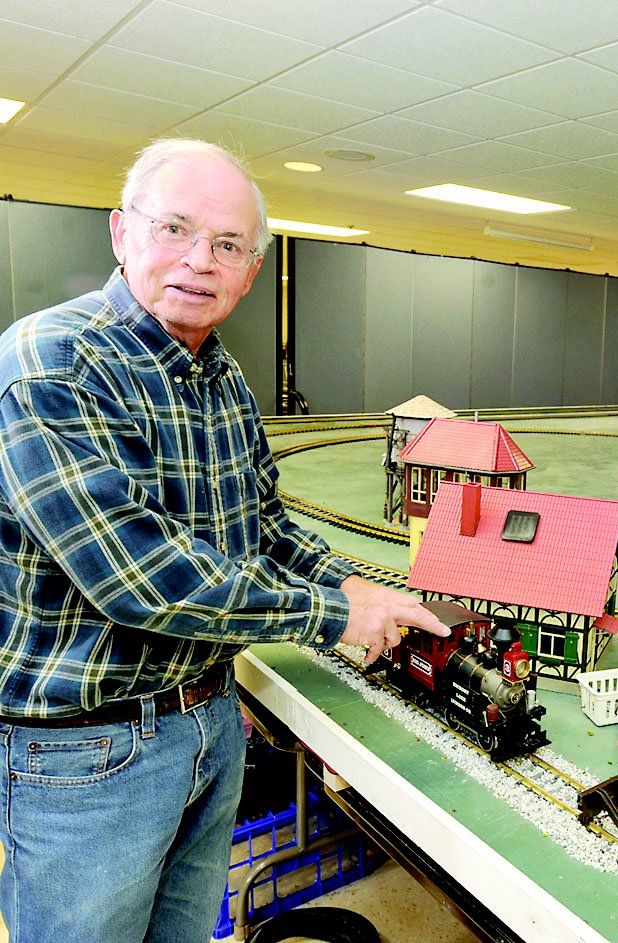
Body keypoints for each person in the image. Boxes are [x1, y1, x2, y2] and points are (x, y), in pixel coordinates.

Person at [0, 138, 450, 943]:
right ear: (121, 232)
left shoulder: (221, 376)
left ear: (251, 269)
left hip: (208, 720)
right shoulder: (50, 364)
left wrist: (358, 587)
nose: (199, 261)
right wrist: (331, 615)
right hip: (88, 757)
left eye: (229, 244)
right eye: (174, 228)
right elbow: (142, 576)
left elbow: (263, 530)